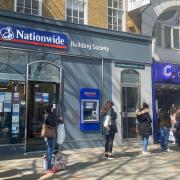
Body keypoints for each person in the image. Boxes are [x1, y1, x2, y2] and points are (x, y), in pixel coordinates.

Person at [42, 103, 57, 172]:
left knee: (49, 149)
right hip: (50, 135)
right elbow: (53, 123)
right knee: (50, 150)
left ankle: (47, 166)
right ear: (49, 108)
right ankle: (49, 168)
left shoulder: (46, 115)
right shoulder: (49, 115)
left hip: (47, 135)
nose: (52, 109)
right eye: (51, 107)